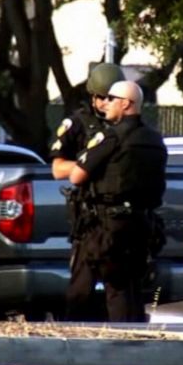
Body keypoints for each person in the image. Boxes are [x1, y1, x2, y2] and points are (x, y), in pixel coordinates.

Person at [68, 80, 167, 322]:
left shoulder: (112, 137)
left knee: (87, 291)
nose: (105, 103)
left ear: (125, 104)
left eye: (111, 98)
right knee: (131, 289)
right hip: (142, 225)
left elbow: (76, 175)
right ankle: (134, 344)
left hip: (106, 227)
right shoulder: (155, 139)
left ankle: (73, 344)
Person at [50, 63, 125, 321]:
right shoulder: (78, 124)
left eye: (113, 98)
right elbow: (58, 169)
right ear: (93, 97)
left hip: (121, 216)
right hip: (90, 217)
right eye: (103, 97)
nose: (107, 103)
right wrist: (91, 164)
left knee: (122, 291)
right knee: (80, 289)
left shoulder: (128, 127)